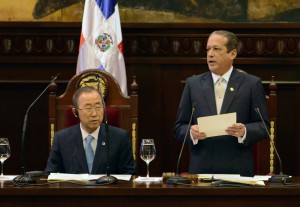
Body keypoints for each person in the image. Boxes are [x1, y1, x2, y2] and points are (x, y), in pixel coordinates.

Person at [173, 30, 269, 177]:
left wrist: (245, 131)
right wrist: (191, 132)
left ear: (232, 54)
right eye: (208, 49)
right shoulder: (193, 84)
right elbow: (179, 127)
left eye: (216, 49)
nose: (210, 54)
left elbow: (264, 127)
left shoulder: (251, 84)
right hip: (201, 171)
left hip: (238, 172)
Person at [45, 86, 135, 175]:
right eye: (88, 108)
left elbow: (129, 174)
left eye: (98, 107)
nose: (95, 114)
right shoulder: (61, 139)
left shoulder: (119, 137)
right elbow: (51, 174)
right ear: (75, 112)